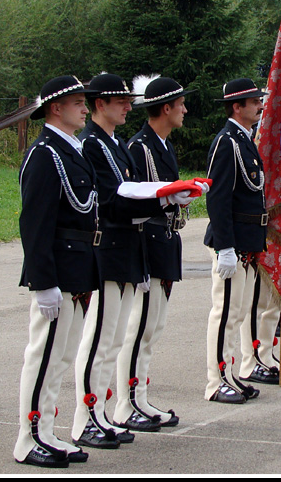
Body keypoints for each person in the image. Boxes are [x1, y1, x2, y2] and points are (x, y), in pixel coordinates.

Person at [73, 73, 196, 448]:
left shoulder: (114, 144)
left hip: (131, 246)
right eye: (121, 101)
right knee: (101, 339)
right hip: (111, 247)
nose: (130, 106)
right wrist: (164, 199)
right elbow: (113, 200)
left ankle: (109, 410)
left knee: (115, 338)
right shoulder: (93, 144)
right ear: (100, 105)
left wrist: (170, 197)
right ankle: (87, 416)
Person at [14, 75, 101, 468]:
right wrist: (42, 282)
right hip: (57, 270)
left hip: (77, 267)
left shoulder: (71, 150)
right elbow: (34, 222)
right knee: (44, 354)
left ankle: (47, 432)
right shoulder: (45, 153)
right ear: (56, 108)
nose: (86, 108)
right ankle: (27, 438)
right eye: (79, 102)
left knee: (62, 357)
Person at [114, 75, 196, 430]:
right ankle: (126, 403)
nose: (184, 110)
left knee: (153, 327)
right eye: (180, 105)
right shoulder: (139, 148)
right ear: (165, 108)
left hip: (165, 241)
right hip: (148, 242)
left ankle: (141, 398)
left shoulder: (163, 145)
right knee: (140, 327)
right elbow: (134, 201)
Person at [204, 78, 269, 403]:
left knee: (240, 313)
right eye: (254, 101)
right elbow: (218, 198)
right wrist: (225, 247)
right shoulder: (227, 142)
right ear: (236, 107)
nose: (259, 105)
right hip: (233, 245)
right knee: (226, 312)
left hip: (247, 244)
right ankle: (216, 381)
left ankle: (229, 373)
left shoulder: (245, 140)